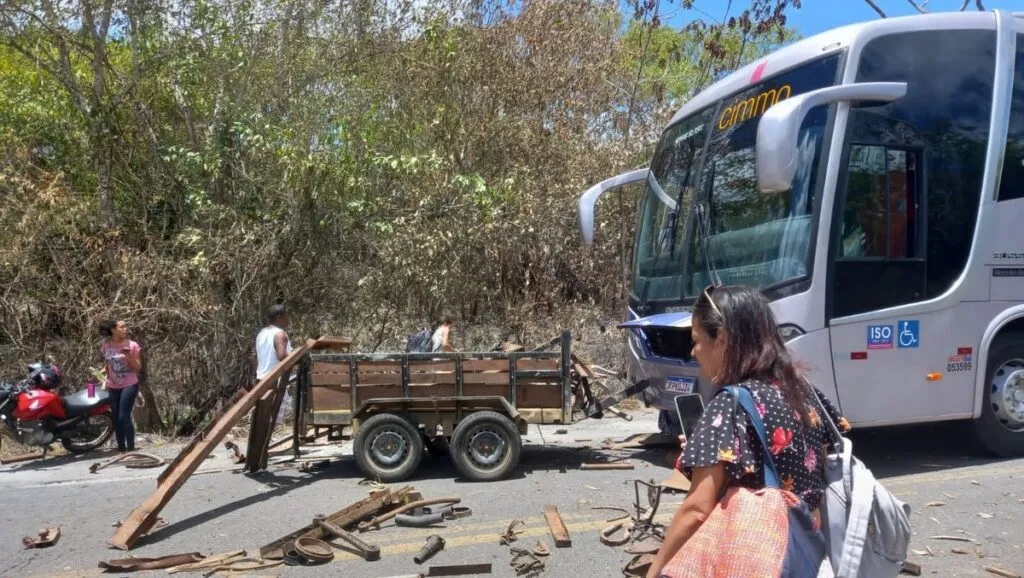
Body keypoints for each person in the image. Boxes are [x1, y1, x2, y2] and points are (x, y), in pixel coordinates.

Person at [647, 285, 851, 578]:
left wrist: (654, 571)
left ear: (723, 339)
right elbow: (810, 465)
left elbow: (697, 510)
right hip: (806, 556)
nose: (694, 352)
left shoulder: (731, 403)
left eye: (696, 340)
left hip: (757, 559)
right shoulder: (805, 391)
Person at [99, 318, 143, 453]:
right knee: (116, 417)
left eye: (126, 326)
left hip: (129, 384)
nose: (126, 329)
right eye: (122, 327)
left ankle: (130, 448)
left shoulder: (133, 345)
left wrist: (128, 355)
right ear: (113, 330)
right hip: (113, 385)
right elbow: (108, 363)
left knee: (124, 416)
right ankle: (121, 449)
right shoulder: (106, 344)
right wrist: (101, 372)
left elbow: (138, 369)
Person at [254, 304, 293, 382]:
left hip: (261, 380)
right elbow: (282, 356)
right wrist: (298, 355)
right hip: (275, 382)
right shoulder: (279, 334)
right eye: (285, 316)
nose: (287, 319)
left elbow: (253, 357)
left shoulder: (261, 334)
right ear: (279, 317)